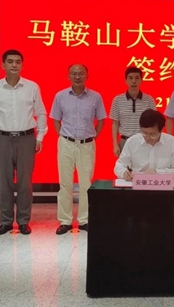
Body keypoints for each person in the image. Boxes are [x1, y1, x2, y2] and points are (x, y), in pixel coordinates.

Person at [0, 49, 47, 236]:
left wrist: (40, 137)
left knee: (25, 183)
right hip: (2, 139)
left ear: (22, 65)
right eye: (10, 61)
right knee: (5, 183)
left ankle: (24, 221)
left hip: (27, 139)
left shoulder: (32, 87)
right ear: (3, 65)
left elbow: (41, 113)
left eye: (18, 62)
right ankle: (5, 222)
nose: (14, 65)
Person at [50, 64, 106, 235]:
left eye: (81, 73)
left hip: (87, 144)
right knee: (65, 183)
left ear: (87, 75)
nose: (77, 76)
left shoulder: (95, 97)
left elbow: (101, 120)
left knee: (86, 184)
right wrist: (63, 136)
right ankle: (65, 221)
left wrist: (92, 136)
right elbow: (55, 119)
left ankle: (84, 220)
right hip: (66, 143)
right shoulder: (60, 96)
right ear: (68, 76)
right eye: (73, 73)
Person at [114, 109, 174, 180]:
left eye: (152, 134)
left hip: (163, 184)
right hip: (137, 184)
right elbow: (119, 166)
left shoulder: (172, 143)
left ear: (161, 130)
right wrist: (124, 172)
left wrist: (158, 172)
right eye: (144, 133)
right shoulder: (132, 142)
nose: (148, 137)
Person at [110, 67, 156, 157]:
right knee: (125, 166)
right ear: (125, 81)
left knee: (144, 166)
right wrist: (115, 144)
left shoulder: (149, 100)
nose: (134, 81)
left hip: (144, 141)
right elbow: (115, 123)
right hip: (125, 142)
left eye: (137, 78)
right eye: (130, 78)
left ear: (141, 80)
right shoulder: (118, 100)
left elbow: (154, 123)